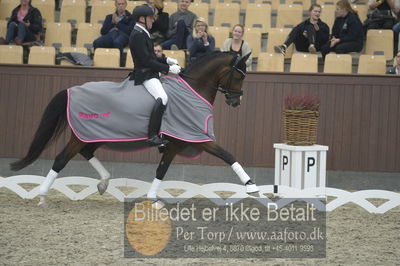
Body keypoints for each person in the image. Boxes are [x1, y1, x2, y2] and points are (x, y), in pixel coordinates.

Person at [129, 5, 181, 146]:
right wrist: (168, 68)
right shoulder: (138, 35)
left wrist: (166, 59)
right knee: (162, 97)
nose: (153, 20)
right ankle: (152, 135)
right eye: (151, 18)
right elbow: (147, 61)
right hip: (145, 75)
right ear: (142, 19)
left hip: (150, 71)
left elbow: (151, 56)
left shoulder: (142, 32)